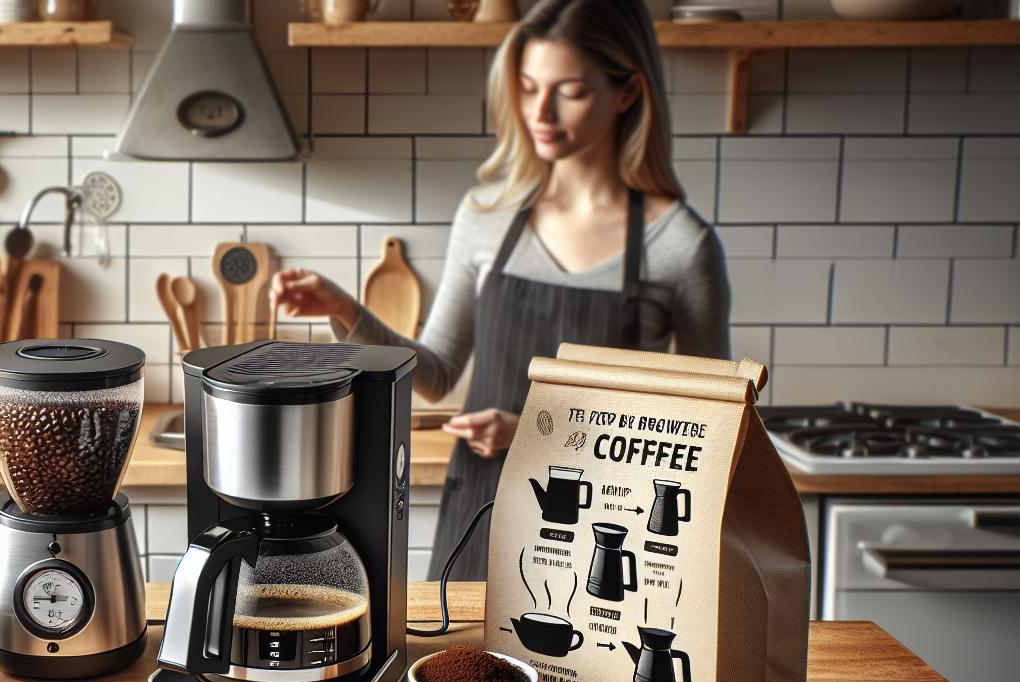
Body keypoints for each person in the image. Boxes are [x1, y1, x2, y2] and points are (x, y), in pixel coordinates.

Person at [271, 0, 730, 582]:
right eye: (529, 86)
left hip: (612, 537)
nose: (541, 111)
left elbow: (710, 432)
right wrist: (343, 308)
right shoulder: (487, 216)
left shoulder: (679, 246)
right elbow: (434, 375)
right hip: (480, 517)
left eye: (570, 91)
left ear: (628, 93)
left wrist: (536, 432)